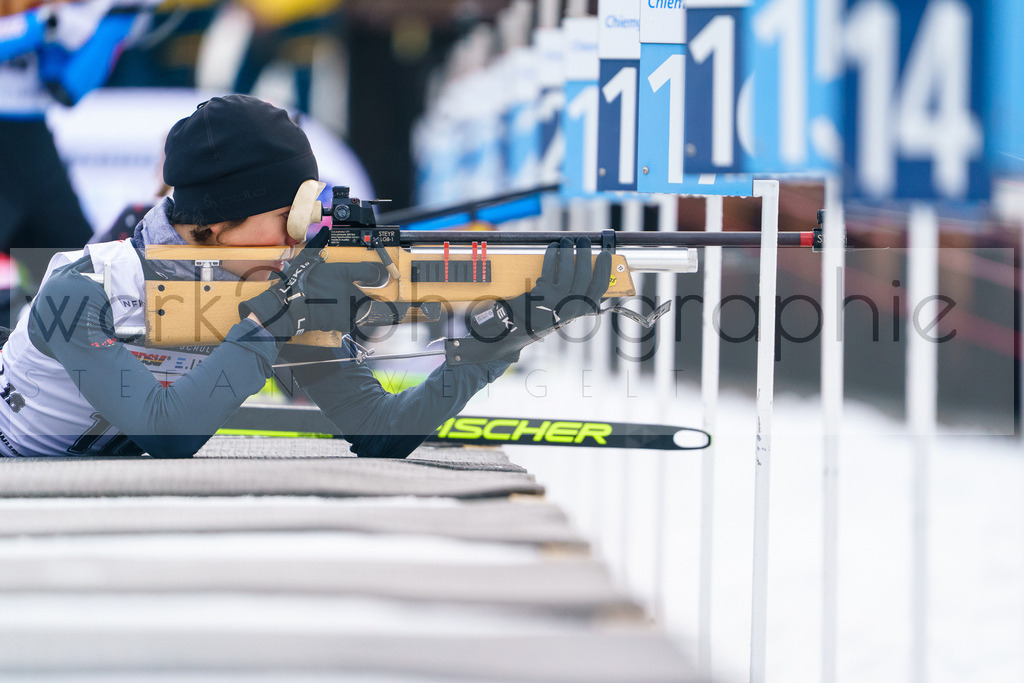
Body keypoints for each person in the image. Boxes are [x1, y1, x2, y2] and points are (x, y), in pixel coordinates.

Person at [0, 94, 610, 459]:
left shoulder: (266, 287)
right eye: (285, 221)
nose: (300, 241)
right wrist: (282, 313)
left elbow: (380, 430)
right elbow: (170, 432)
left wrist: (507, 334)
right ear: (214, 223)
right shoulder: (81, 291)